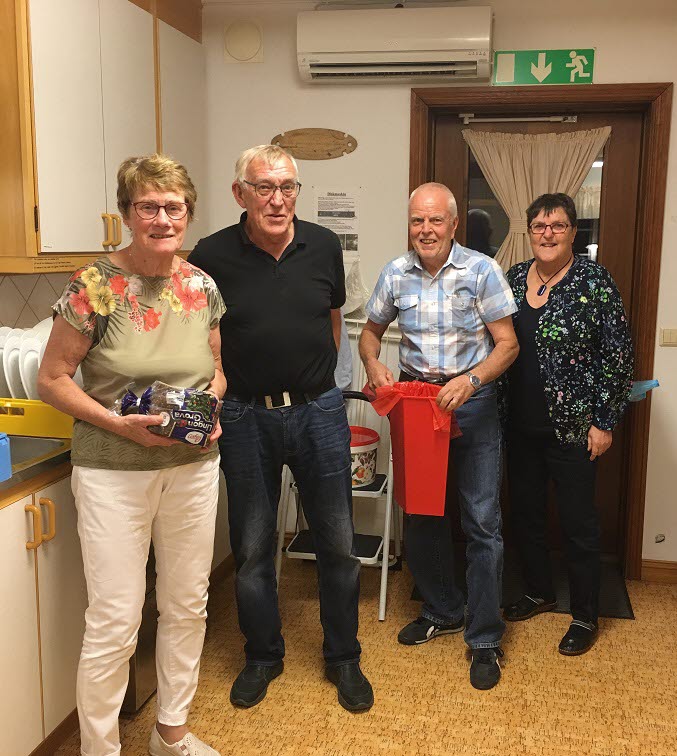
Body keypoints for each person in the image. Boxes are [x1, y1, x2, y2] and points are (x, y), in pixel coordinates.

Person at [38, 154, 226, 756]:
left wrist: (209, 409)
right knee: (116, 618)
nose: (162, 218)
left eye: (174, 207)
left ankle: (171, 732)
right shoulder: (94, 285)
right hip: (112, 471)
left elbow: (216, 369)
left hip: (191, 469)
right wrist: (119, 425)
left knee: (186, 604)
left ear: (188, 214)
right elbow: (53, 379)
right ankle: (101, 749)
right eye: (148, 206)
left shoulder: (201, 286)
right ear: (126, 213)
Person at [188, 145, 373, 712]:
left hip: (319, 412)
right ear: (240, 193)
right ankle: (263, 655)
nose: (277, 200)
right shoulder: (210, 254)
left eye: (287, 187)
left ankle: (343, 656)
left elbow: (333, 320)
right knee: (251, 547)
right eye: (264, 188)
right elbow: (199, 333)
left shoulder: (323, 245)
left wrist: (323, 385)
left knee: (337, 543)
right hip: (245, 415)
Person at [359, 182, 519, 690]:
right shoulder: (395, 273)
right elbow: (369, 332)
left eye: (434, 220)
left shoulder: (481, 270)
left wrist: (471, 380)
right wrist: (373, 364)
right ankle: (443, 609)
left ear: (453, 224)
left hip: (472, 404)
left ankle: (485, 637)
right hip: (417, 404)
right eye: (417, 221)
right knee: (423, 515)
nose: (425, 230)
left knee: (482, 521)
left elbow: (507, 345)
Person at [502, 192, 633, 655]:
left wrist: (604, 421)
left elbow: (618, 357)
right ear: (529, 232)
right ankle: (539, 591)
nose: (548, 234)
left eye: (557, 225)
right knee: (527, 515)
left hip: (575, 430)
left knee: (579, 525)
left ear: (573, 232)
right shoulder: (513, 278)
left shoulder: (594, 281)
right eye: (539, 226)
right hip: (520, 427)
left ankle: (584, 614)